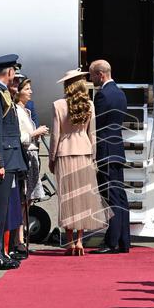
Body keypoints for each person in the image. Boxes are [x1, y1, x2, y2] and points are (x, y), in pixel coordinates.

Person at [50, 69, 107, 255]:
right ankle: (81, 241)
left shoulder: (58, 105)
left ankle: (70, 242)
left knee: (67, 198)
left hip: (65, 152)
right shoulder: (89, 104)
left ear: (67, 85)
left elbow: (55, 135)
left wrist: (51, 158)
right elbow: (93, 134)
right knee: (83, 198)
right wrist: (94, 156)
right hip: (84, 152)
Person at [0, 54, 27, 269]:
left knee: (4, 207)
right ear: (8, 72)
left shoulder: (2, 93)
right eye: (13, 72)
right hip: (4, 159)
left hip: (11, 157)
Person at [89, 59, 130, 254]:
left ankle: (111, 241)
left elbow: (97, 125)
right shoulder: (120, 93)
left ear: (101, 75)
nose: (91, 79)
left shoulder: (103, 95)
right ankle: (123, 240)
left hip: (106, 150)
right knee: (120, 196)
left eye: (92, 75)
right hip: (117, 149)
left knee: (111, 197)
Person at [10, 77, 48, 257]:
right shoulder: (16, 111)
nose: (31, 92)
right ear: (19, 92)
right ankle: (18, 240)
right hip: (25, 155)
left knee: (28, 200)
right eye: (27, 89)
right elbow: (21, 137)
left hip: (32, 155)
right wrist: (36, 132)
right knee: (23, 198)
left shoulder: (26, 110)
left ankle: (21, 238)